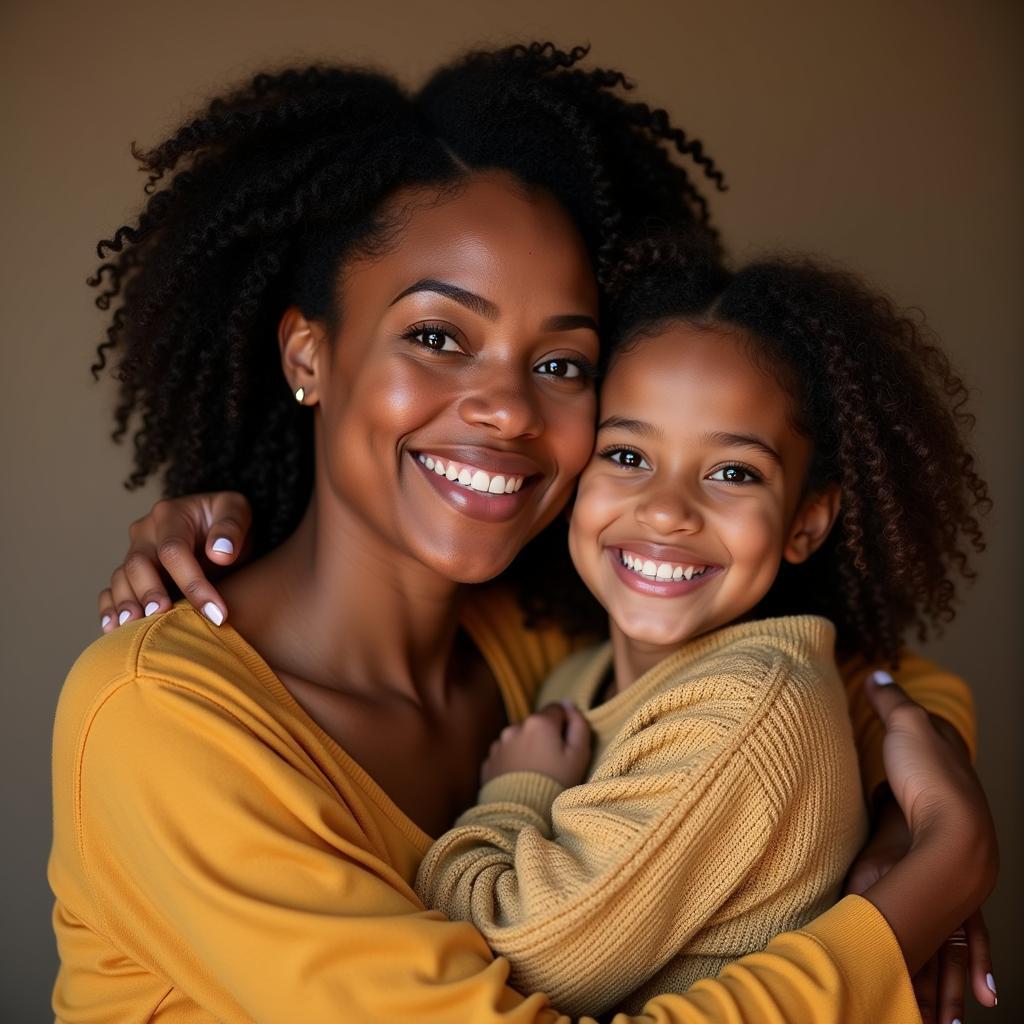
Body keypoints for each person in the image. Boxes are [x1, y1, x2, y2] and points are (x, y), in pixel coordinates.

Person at [53, 44, 995, 1023]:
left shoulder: (540, 643)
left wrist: (900, 813)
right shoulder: (157, 719)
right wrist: (915, 903)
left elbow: (865, 689)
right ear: (309, 352)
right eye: (436, 336)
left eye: (560, 363)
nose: (506, 408)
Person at [412, 241, 990, 1017]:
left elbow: (514, 952)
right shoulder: (576, 678)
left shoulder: (748, 712)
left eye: (733, 473)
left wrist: (518, 792)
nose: (667, 509)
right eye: (626, 454)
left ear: (807, 523)